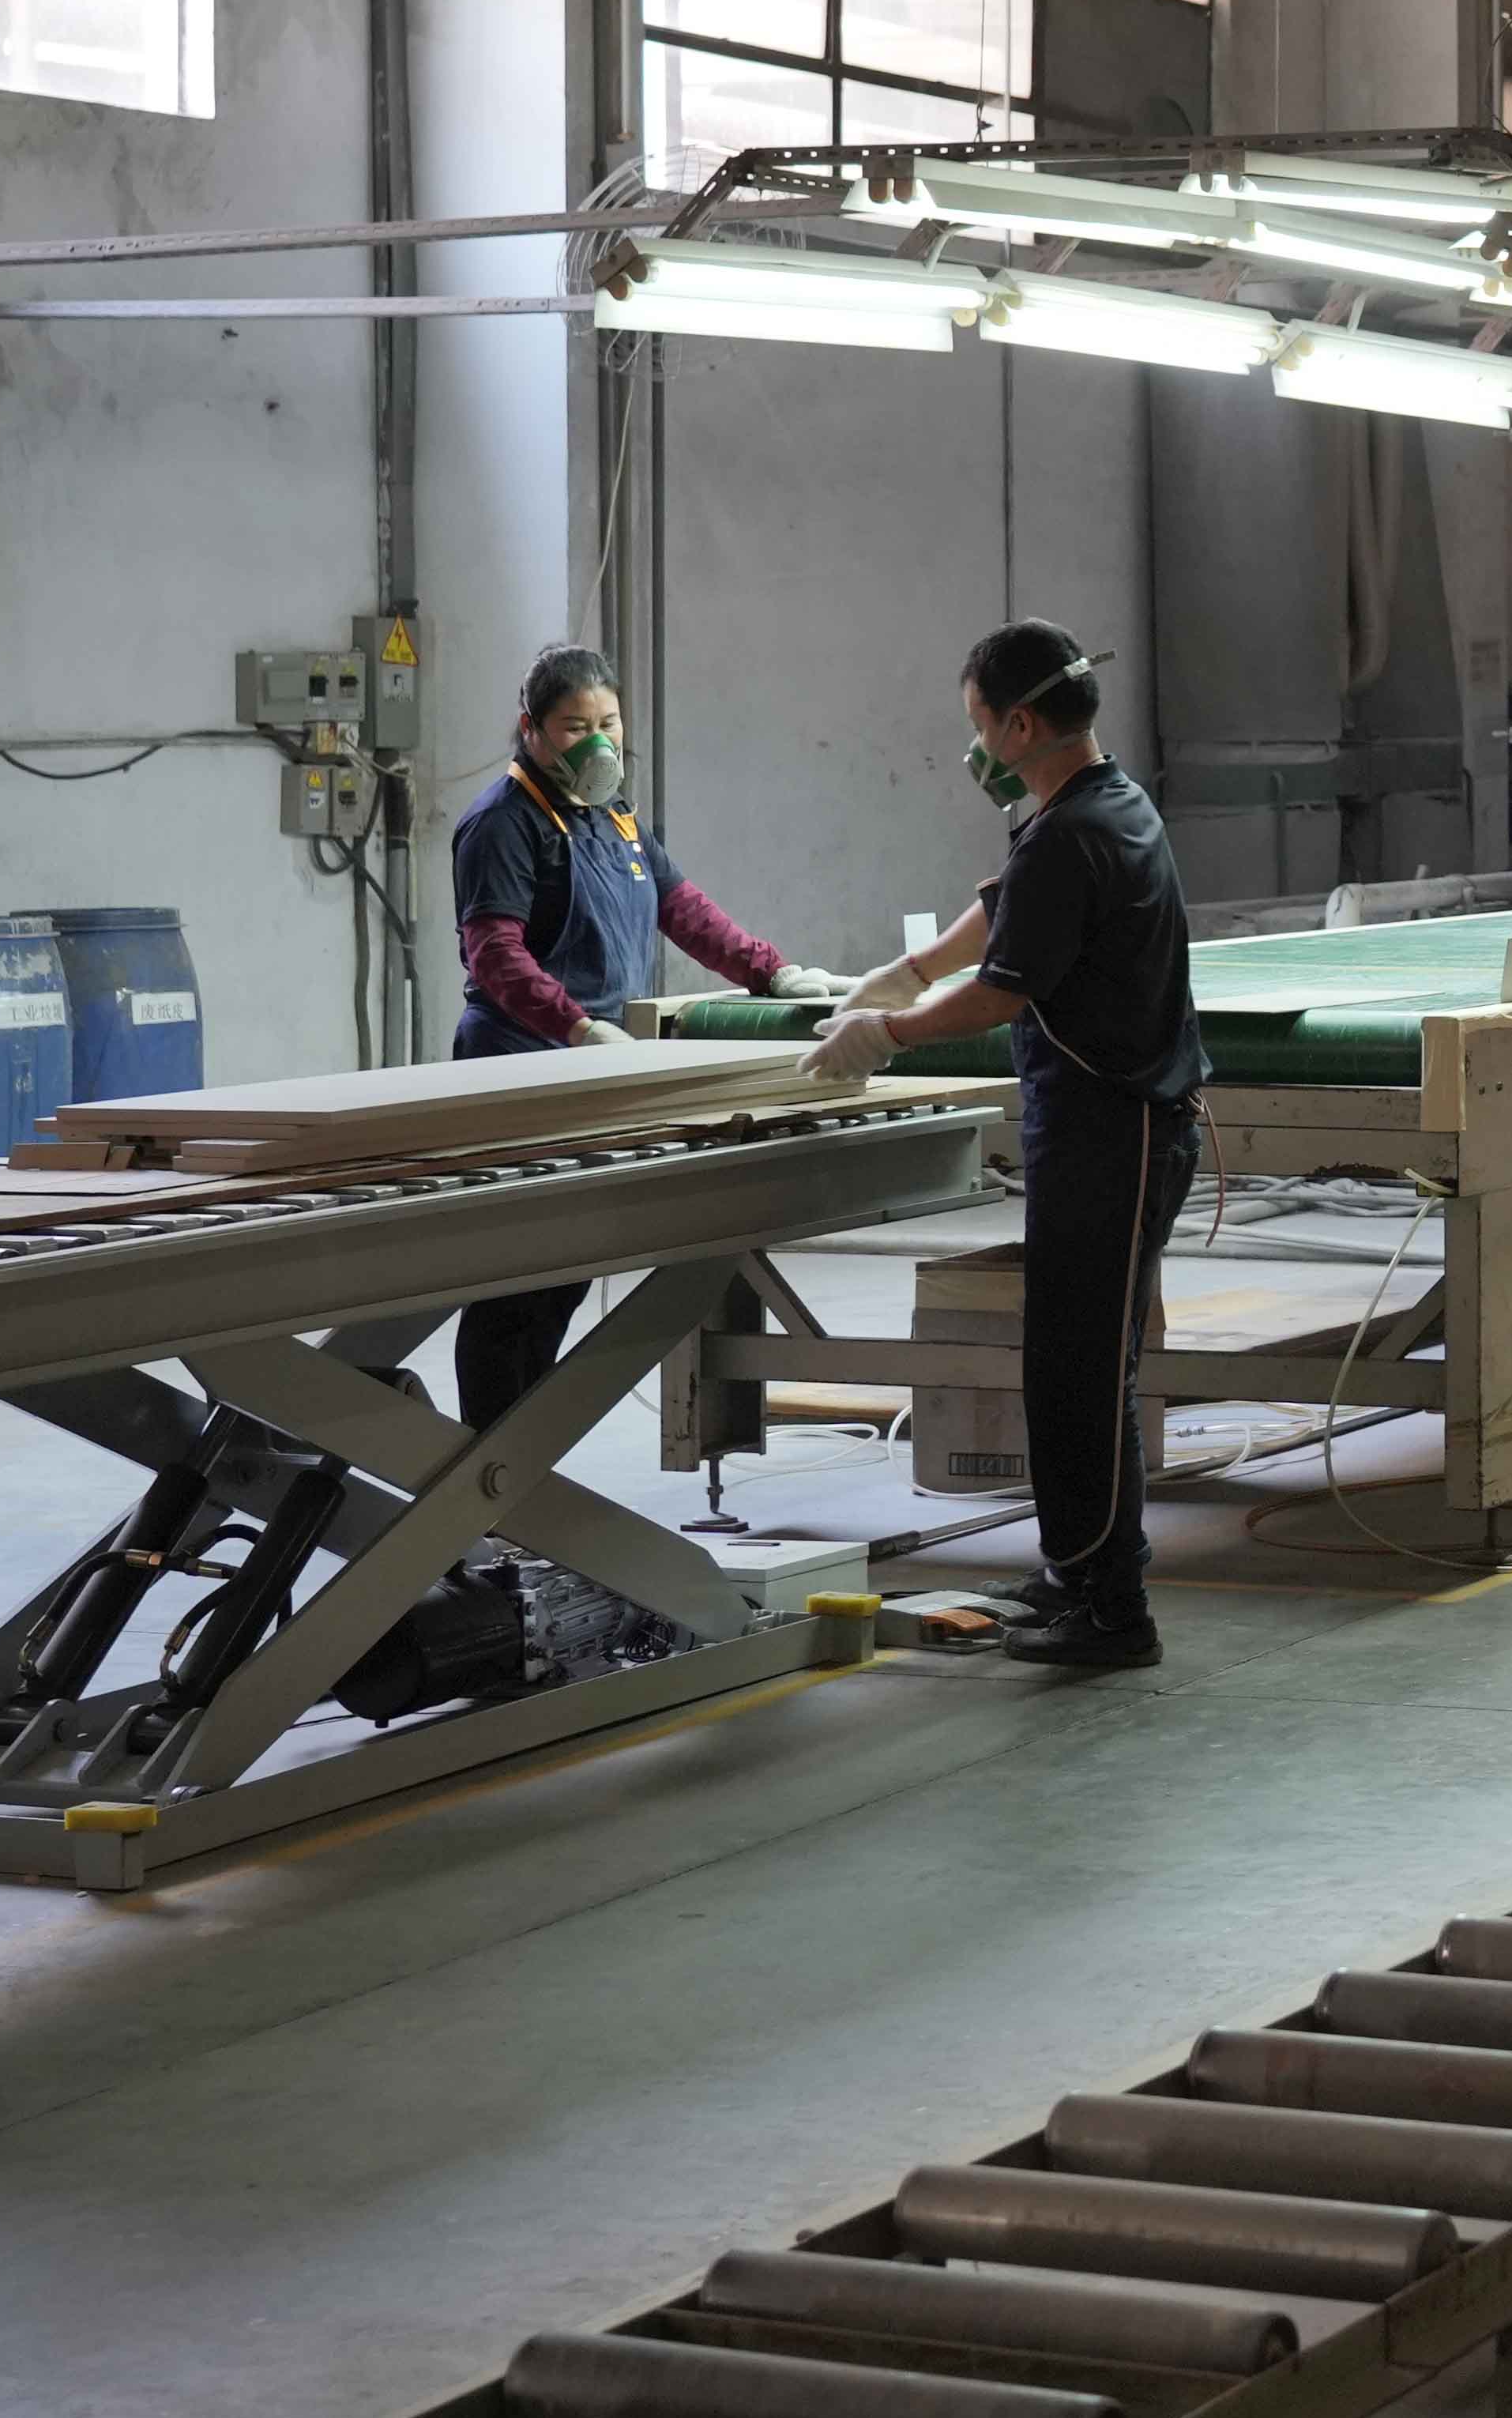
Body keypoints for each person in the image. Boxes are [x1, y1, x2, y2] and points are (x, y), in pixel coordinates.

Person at [805, 620, 1204, 1669]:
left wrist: (888, 1031)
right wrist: (906, 971)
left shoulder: (1077, 831)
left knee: (1082, 1374)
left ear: (1021, 724)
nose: (975, 746)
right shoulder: (1097, 805)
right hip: (1100, 1131)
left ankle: (1111, 1609)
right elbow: (1009, 910)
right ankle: (1077, 1569)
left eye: (979, 724)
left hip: (1113, 1134)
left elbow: (999, 991)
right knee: (1066, 1365)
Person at [446, 642, 846, 1429]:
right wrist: (576, 1025)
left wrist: (771, 973)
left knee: (564, 1273)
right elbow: (493, 953)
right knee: (515, 1281)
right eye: (575, 727)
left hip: (596, 1065)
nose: (598, 743)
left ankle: (517, 1456)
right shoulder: (503, 823)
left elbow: (681, 908)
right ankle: (487, 1459)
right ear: (530, 729)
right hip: (523, 1065)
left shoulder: (614, 815)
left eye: (610, 723)